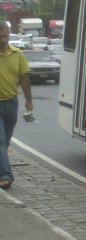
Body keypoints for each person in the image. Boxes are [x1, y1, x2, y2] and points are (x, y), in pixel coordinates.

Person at [0, 20, 33, 189]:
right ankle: (6, 176)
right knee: (0, 140)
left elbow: (24, 78)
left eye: (6, 36)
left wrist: (29, 100)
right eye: (0, 37)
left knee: (5, 142)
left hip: (12, 103)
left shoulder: (17, 54)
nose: (3, 40)